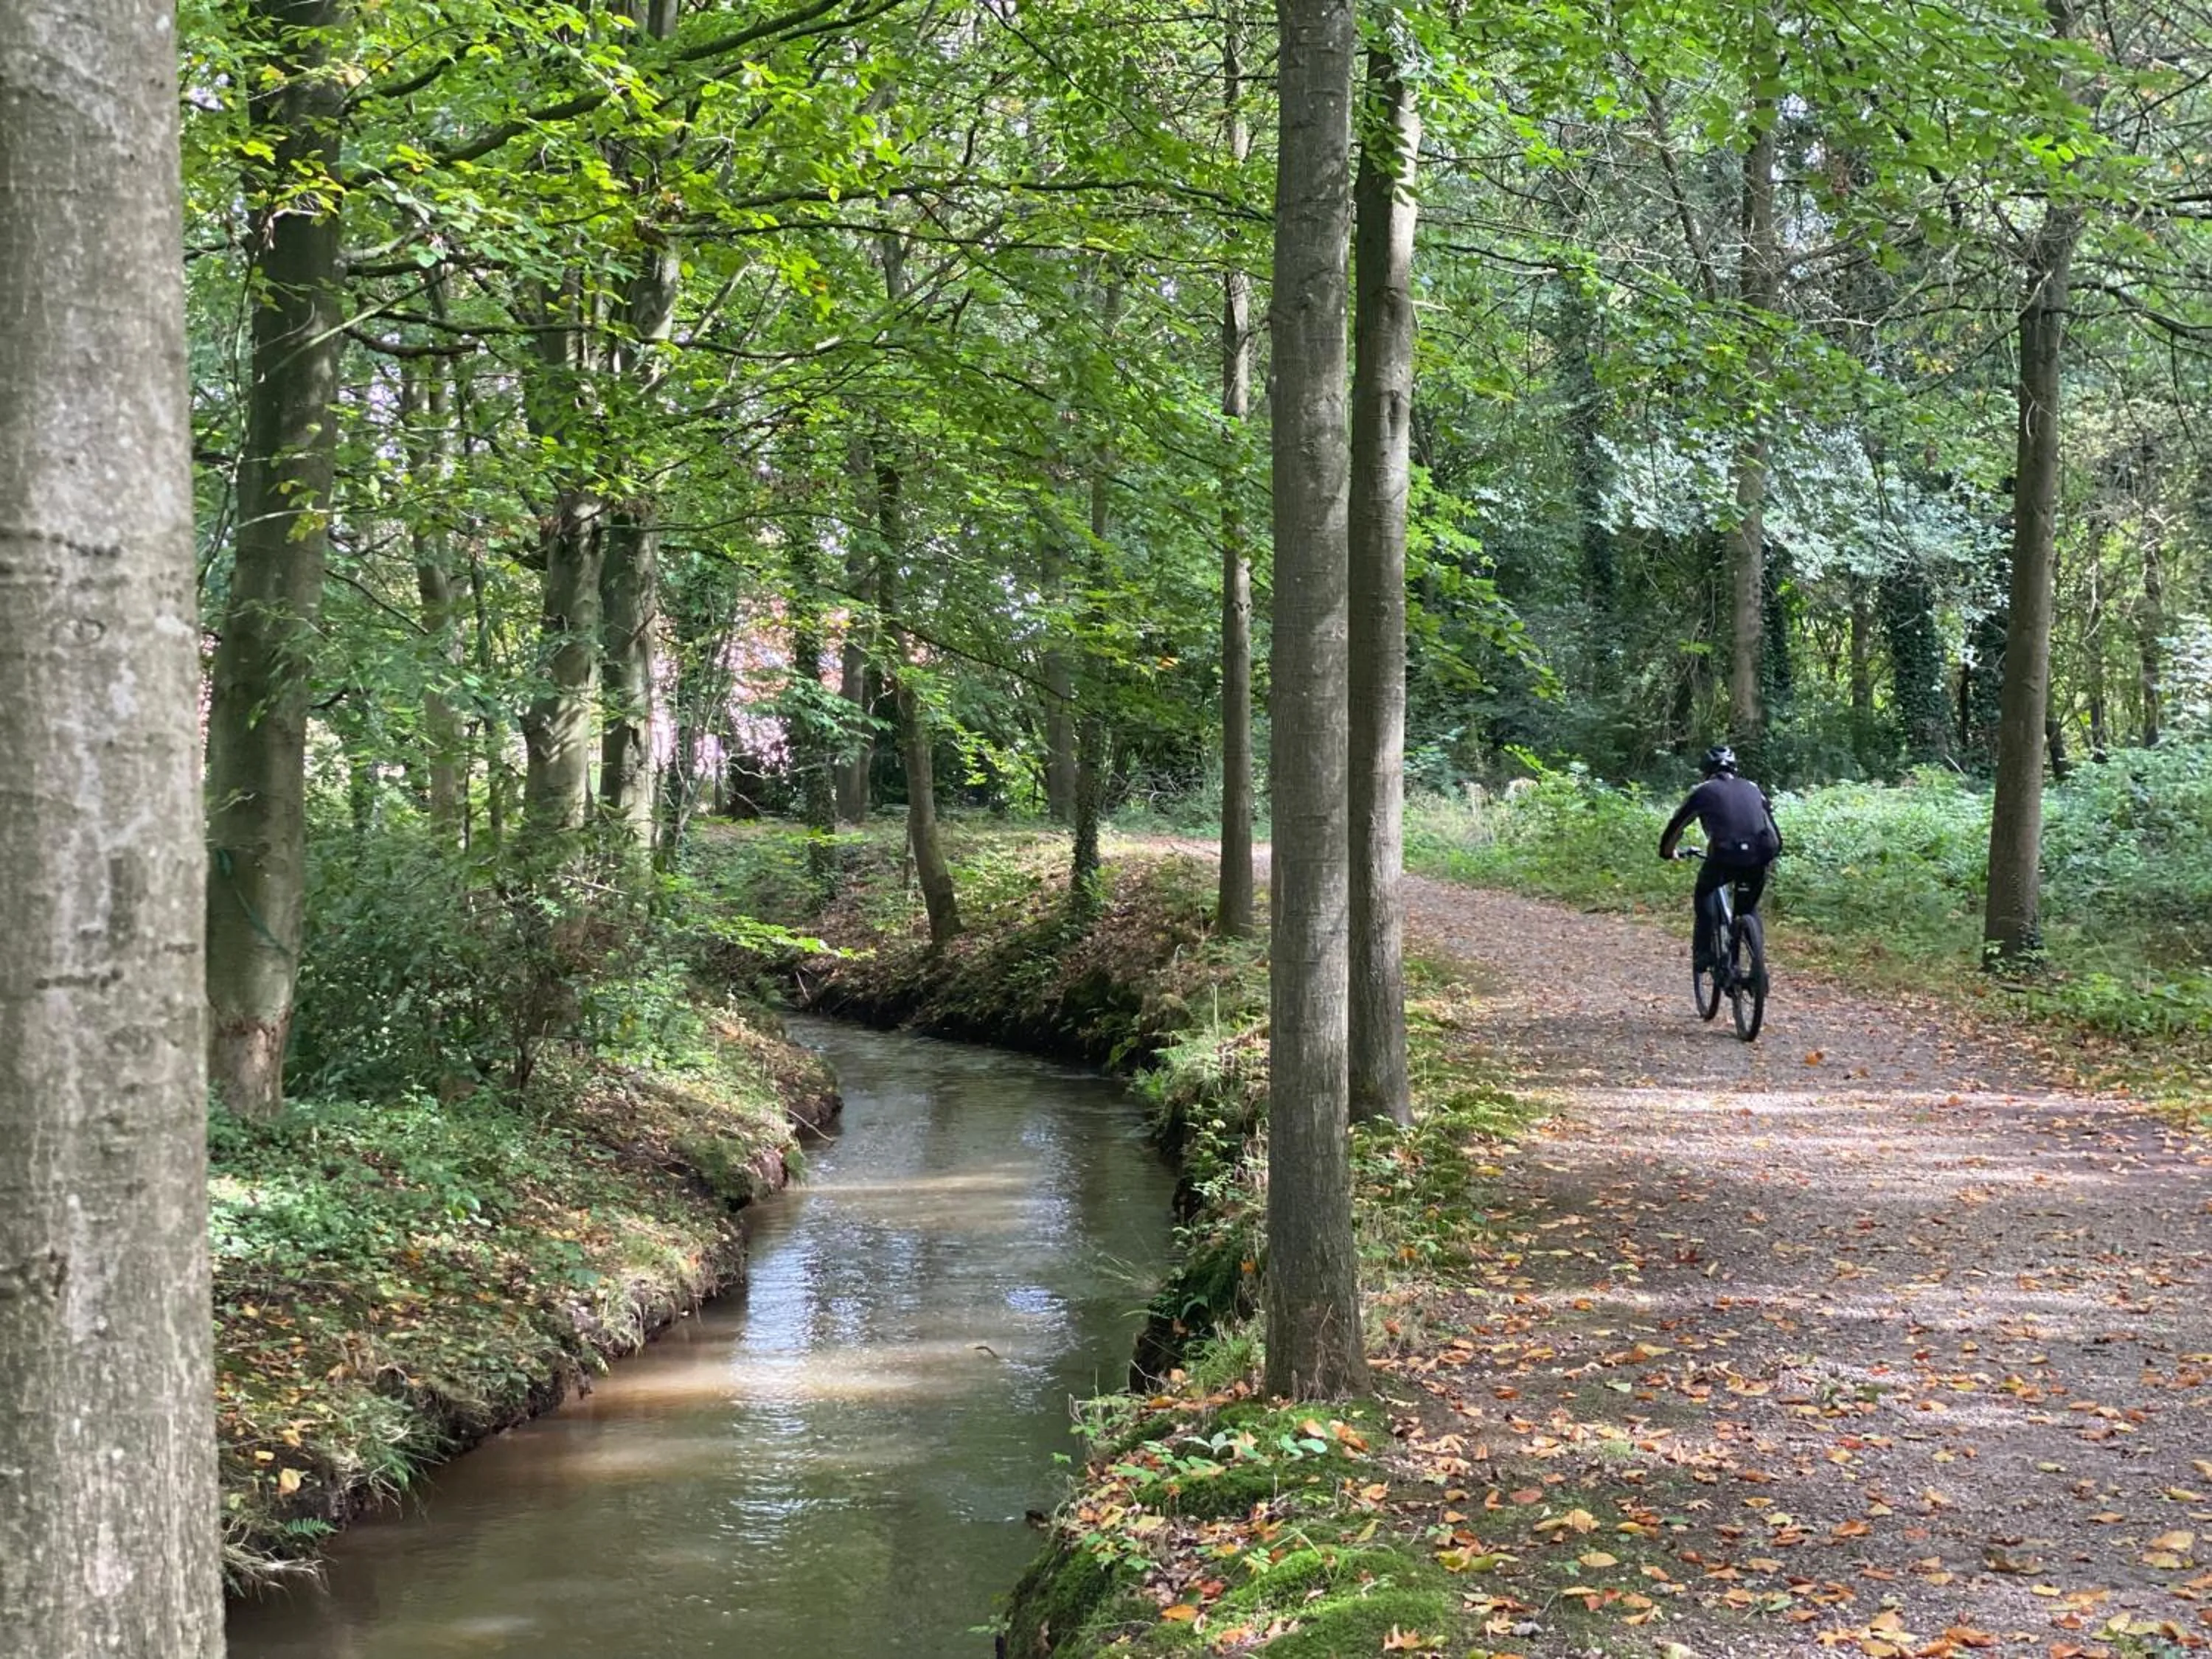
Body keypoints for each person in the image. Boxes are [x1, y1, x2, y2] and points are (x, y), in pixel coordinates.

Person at [1658, 745, 1781, 975]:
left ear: (1705, 771)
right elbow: (1770, 824)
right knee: (1748, 907)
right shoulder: (1753, 788)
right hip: (1761, 854)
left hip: (1725, 854)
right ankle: (1757, 967)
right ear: (1734, 768)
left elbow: (1677, 825)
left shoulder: (1703, 791)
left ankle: (1704, 954)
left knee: (1705, 890)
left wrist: (1667, 852)